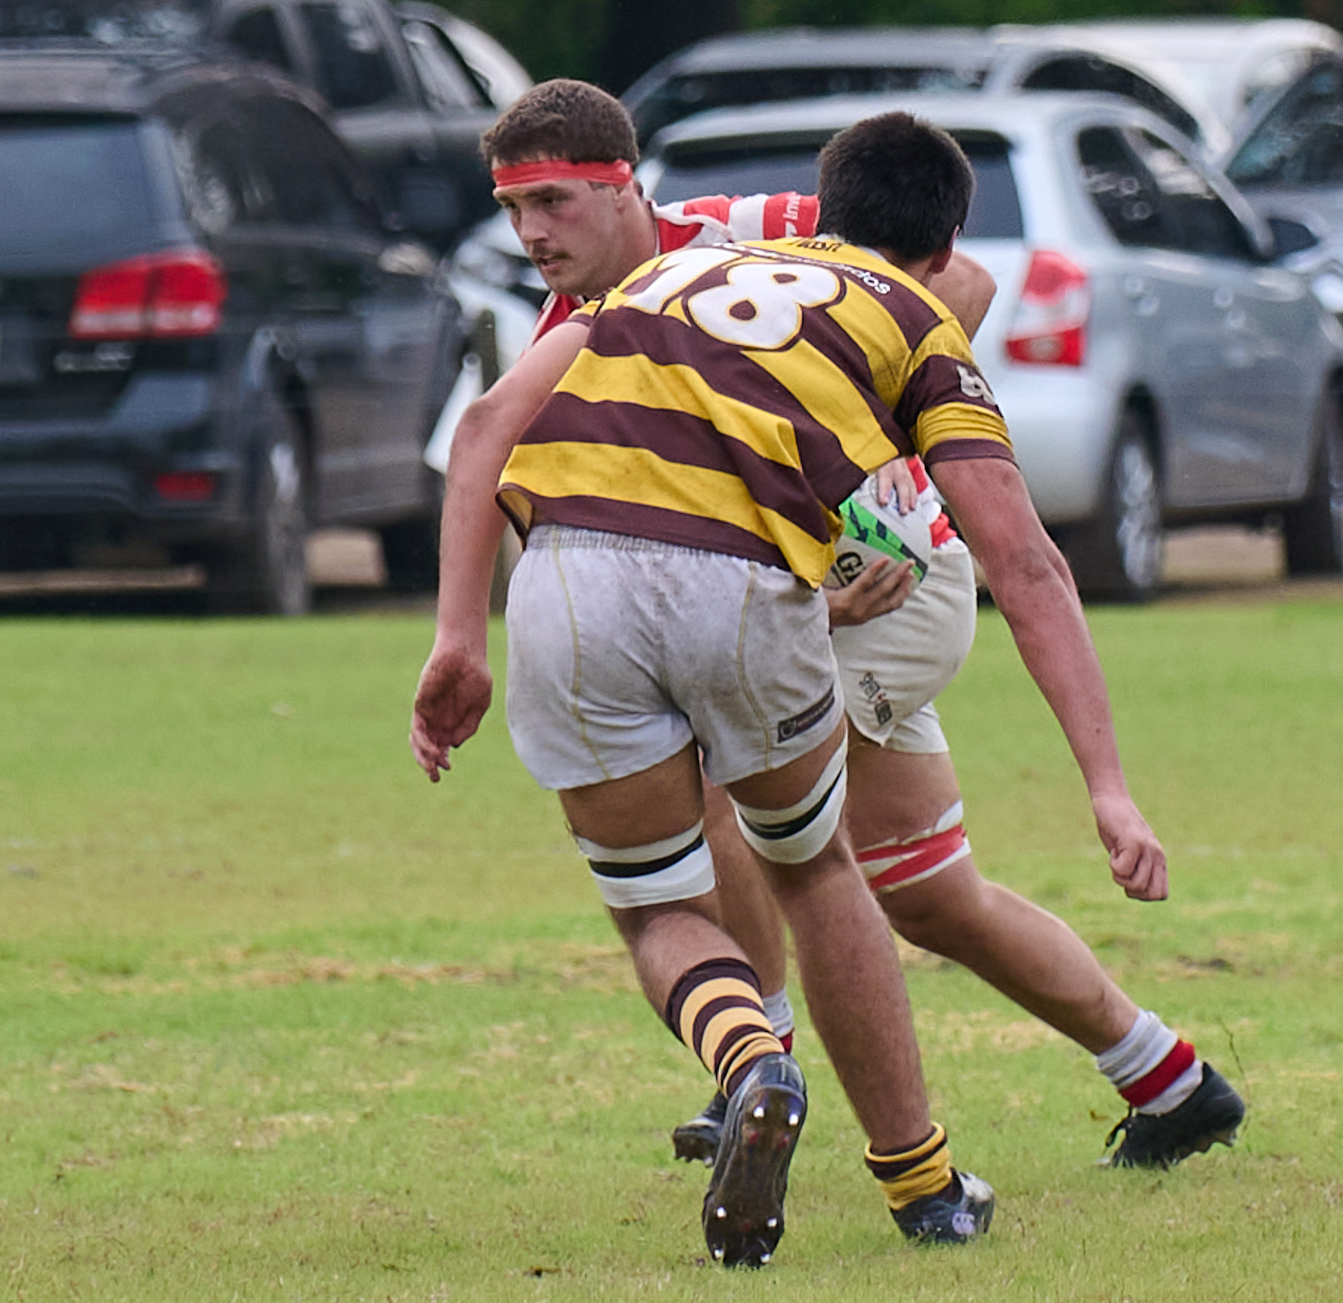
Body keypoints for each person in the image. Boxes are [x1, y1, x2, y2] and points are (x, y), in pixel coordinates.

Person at [476, 80, 1247, 1172]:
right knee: (928, 890)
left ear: (622, 190)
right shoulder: (567, 335)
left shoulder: (740, 237)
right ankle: (1168, 1078)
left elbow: (952, 282)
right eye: (512, 210)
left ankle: (761, 1062)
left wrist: (858, 460)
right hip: (784, 601)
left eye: (551, 203)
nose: (530, 234)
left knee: (740, 791)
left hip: (890, 578)